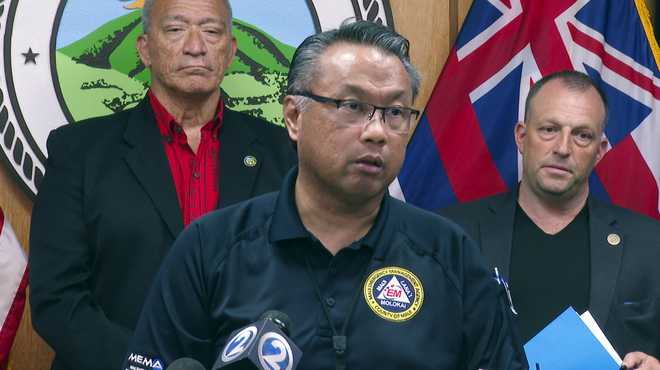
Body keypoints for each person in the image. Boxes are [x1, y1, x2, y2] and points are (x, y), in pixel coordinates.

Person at [121, 20, 527, 370]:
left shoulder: (451, 256)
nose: (376, 131)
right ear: (295, 117)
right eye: (352, 106)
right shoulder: (210, 249)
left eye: (395, 112)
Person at [29, 0, 296, 369]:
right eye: (175, 29)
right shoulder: (78, 153)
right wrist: (148, 364)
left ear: (231, 50)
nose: (195, 45)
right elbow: (56, 300)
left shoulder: (285, 154)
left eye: (211, 31)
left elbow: (303, 280)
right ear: (144, 49)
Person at [440, 70, 660, 369]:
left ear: (600, 151)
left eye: (582, 135)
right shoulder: (451, 234)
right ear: (521, 136)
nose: (562, 148)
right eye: (549, 129)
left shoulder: (651, 244)